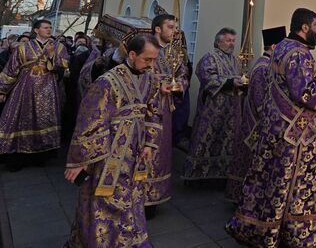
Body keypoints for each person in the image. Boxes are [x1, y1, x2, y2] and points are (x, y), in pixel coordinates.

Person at [226, 8, 316, 248]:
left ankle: (269, 229)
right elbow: (305, 94)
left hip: (277, 130)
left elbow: (294, 87)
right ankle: (295, 234)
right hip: (298, 139)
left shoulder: (281, 48)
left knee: (274, 184)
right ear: (304, 28)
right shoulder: (298, 54)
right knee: (293, 187)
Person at [64, 34, 161, 248]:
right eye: (147, 60)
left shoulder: (151, 79)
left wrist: (149, 143)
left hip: (136, 154)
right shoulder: (106, 82)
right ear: (132, 55)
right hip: (108, 157)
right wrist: (80, 160)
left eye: (154, 60)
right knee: (102, 205)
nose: (151, 65)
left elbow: (154, 112)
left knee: (132, 202)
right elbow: (90, 122)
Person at [225, 25, 285, 203]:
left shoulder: (267, 65)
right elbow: (260, 99)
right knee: (251, 161)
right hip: (256, 125)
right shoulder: (262, 67)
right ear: (274, 47)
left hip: (256, 123)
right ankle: (245, 198)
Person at [0, 19, 69, 170]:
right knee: (19, 118)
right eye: (45, 27)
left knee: (43, 120)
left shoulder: (59, 47)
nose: (49, 30)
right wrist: (2, 89)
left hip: (48, 90)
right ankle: (17, 157)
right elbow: (11, 69)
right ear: (36, 30)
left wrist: (51, 57)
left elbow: (64, 67)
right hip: (25, 89)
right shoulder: (23, 48)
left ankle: (40, 156)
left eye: (50, 27)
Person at [182, 27, 241, 183]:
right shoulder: (210, 58)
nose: (232, 44)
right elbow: (207, 78)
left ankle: (222, 174)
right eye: (228, 40)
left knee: (226, 140)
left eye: (233, 41)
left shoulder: (235, 60)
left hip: (230, 109)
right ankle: (197, 175)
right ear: (218, 41)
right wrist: (230, 81)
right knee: (206, 138)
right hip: (213, 108)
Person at [146, 13, 189, 211]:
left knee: (162, 152)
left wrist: (178, 85)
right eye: (170, 27)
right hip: (144, 111)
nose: (174, 31)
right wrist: (158, 84)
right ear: (157, 29)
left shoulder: (174, 53)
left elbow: (183, 76)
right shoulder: (144, 47)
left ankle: (154, 197)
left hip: (165, 109)